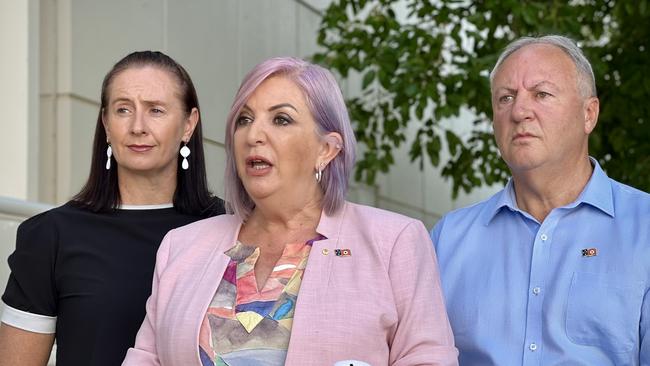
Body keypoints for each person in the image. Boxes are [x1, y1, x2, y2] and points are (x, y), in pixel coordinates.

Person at [123, 57, 458, 366]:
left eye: (281, 119)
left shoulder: (395, 242)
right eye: (245, 119)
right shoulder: (181, 246)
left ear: (326, 150)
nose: (254, 134)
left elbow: (427, 359)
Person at [431, 35, 650, 365]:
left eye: (542, 94)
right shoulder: (447, 239)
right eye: (505, 98)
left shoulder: (644, 228)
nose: (519, 111)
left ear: (589, 114)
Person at [0, 51, 225, 366]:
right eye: (123, 109)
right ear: (106, 123)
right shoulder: (51, 236)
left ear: (189, 124)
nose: (137, 126)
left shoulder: (230, 230)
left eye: (156, 110)